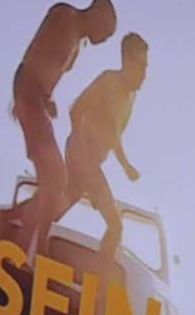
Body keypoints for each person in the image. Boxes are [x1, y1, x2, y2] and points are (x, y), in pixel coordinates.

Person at [5, 0, 117, 256]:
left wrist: (47, 100)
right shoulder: (65, 16)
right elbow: (34, 54)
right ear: (97, 15)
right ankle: (37, 248)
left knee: (54, 182)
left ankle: (19, 239)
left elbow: (50, 70)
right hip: (29, 94)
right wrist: (24, 94)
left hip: (37, 99)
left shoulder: (79, 44)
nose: (102, 41)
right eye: (105, 33)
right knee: (56, 178)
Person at [59, 32, 150, 263]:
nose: (144, 74)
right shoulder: (109, 80)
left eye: (146, 67)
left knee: (63, 202)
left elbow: (114, 135)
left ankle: (19, 224)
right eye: (141, 66)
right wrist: (80, 148)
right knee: (116, 226)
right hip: (84, 157)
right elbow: (76, 109)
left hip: (90, 162)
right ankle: (100, 279)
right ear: (127, 62)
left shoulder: (131, 98)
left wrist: (126, 165)